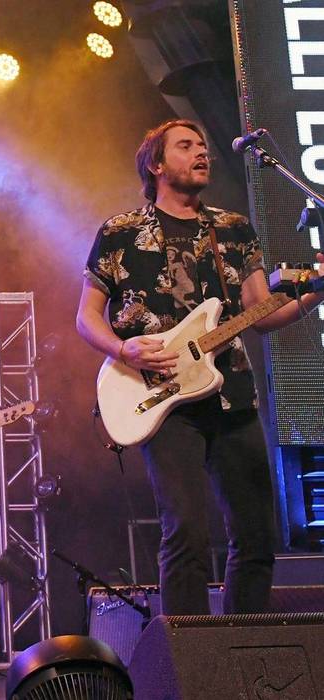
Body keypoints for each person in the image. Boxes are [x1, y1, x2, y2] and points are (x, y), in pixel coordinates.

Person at [76, 118, 324, 616]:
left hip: (232, 394)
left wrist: (316, 292)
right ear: (156, 164)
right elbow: (86, 317)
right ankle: (188, 654)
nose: (201, 153)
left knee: (255, 535)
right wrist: (124, 350)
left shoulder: (233, 229)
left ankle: (243, 645)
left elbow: (261, 313)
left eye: (203, 146)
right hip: (163, 400)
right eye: (186, 146)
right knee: (186, 531)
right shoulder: (120, 232)